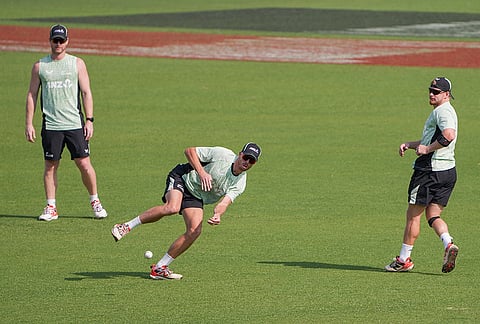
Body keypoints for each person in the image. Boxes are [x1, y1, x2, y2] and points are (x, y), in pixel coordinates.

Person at [111, 143, 261, 280]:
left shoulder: (240, 182)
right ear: (240, 154)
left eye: (251, 161)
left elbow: (225, 202)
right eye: (246, 157)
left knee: (195, 230)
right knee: (172, 207)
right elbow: (189, 151)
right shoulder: (222, 155)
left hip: (196, 196)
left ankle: (160, 268)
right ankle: (125, 226)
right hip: (182, 178)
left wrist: (217, 214)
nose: (246, 162)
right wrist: (201, 172)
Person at [25, 24, 108, 221]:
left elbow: (86, 92)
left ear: (67, 41)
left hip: (74, 123)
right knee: (50, 165)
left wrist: (89, 120)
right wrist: (29, 123)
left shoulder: (77, 64)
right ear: (50, 41)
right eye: (55, 40)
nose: (58, 44)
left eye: (62, 40)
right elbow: (32, 95)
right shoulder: (40, 66)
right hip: (51, 125)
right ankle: (51, 207)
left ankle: (95, 202)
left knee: (84, 164)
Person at [385, 77, 459, 273]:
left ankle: (403, 260)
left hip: (429, 172)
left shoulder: (443, 112)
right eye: (431, 90)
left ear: (447, 94)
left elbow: (448, 136)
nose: (432, 94)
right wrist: (411, 144)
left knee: (413, 216)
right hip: (447, 172)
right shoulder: (446, 111)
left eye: (436, 92)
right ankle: (448, 243)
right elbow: (431, 139)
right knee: (433, 214)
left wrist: (426, 150)